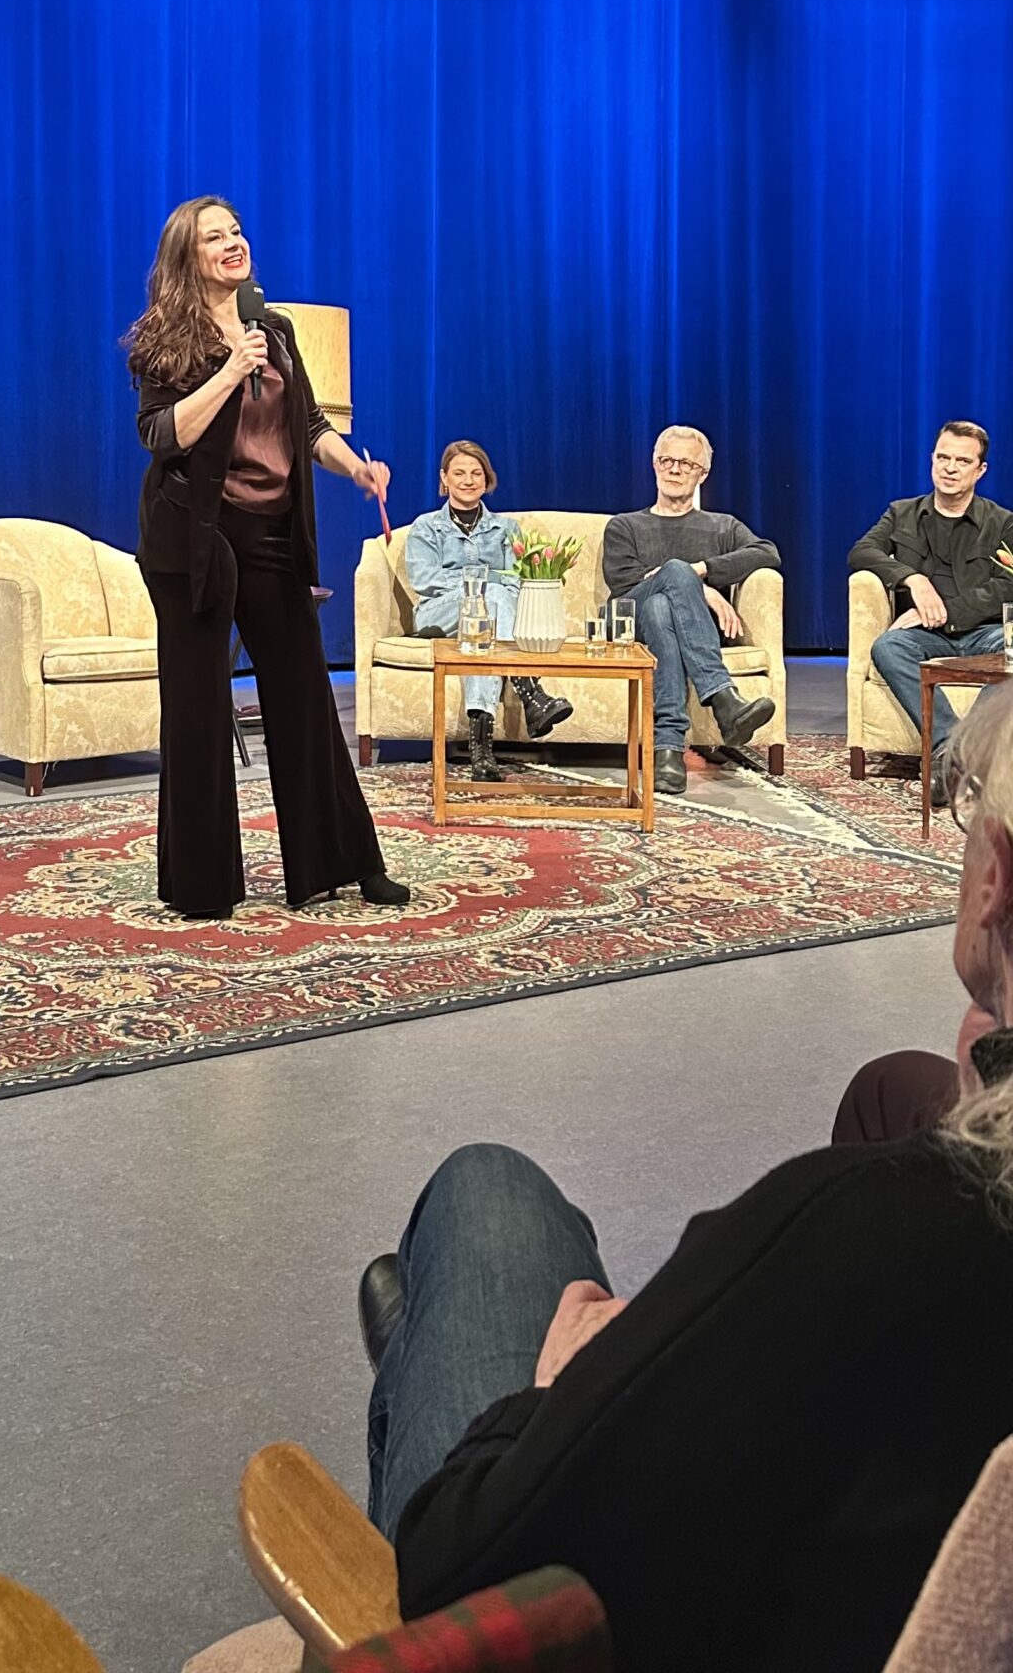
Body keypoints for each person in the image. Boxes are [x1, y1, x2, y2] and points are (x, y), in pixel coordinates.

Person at [354, 683, 1013, 1673]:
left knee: (486, 1195)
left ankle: (425, 1351)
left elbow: (462, 1576)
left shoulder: (865, 1232)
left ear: (995, 875)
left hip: (592, 1616)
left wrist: (550, 1393)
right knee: (892, 1084)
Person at [126, 196, 409, 921]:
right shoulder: (165, 338)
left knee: (305, 698)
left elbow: (308, 425)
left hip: (271, 535)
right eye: (215, 237)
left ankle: (344, 863)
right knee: (197, 710)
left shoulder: (273, 329)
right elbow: (161, 434)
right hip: (194, 537)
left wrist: (354, 468)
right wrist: (228, 371)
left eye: (237, 231)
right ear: (188, 257)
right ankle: (201, 886)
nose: (234, 243)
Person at [601, 425, 778, 796]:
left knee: (662, 608)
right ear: (654, 464)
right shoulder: (625, 525)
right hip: (627, 621)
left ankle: (667, 750)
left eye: (686, 463)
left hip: (674, 624)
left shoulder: (722, 526)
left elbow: (766, 553)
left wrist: (702, 570)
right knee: (669, 582)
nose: (675, 469)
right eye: (667, 460)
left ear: (703, 473)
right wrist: (700, 585)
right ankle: (723, 698)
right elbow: (624, 581)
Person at [849, 420, 1013, 808]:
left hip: (983, 633)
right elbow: (861, 552)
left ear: (980, 470)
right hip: (925, 638)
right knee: (888, 647)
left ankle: (958, 751)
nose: (950, 468)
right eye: (943, 457)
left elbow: (1006, 586)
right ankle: (950, 745)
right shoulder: (901, 513)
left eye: (962, 461)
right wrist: (912, 579)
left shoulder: (1003, 523)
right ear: (932, 459)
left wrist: (944, 612)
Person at [404, 442, 572, 782]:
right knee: (490, 596)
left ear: (487, 479)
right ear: (444, 478)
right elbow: (426, 580)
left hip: (486, 622)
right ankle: (530, 693)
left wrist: (483, 587)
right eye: (459, 473)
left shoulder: (507, 529)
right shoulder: (426, 527)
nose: (468, 480)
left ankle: (481, 752)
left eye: (476, 473)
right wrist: (483, 580)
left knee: (481, 634)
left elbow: (515, 583)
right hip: (439, 615)